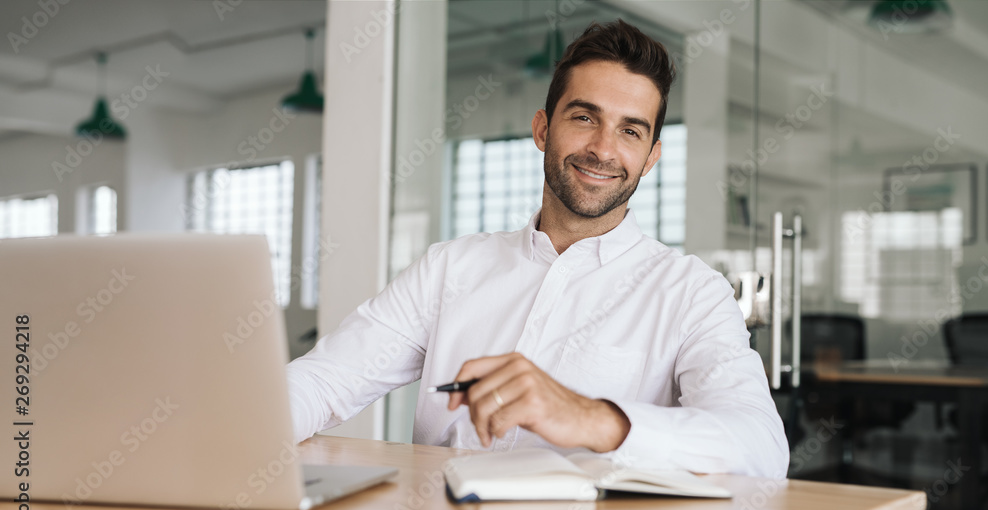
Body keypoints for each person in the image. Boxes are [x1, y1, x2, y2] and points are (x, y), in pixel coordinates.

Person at [286, 19, 789, 479]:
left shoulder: (692, 292)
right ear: (543, 129)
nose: (603, 149)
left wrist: (591, 418)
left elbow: (761, 447)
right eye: (584, 117)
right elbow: (323, 382)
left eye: (630, 130)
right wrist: (240, 425)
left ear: (651, 157)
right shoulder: (450, 268)